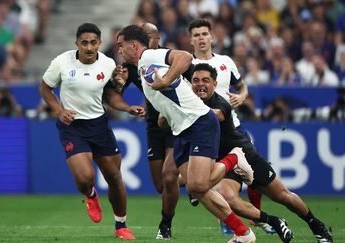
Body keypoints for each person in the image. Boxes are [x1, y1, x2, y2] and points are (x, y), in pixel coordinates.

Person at [117, 24, 256, 243]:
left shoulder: (149, 56)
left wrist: (165, 79)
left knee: (197, 185)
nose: (118, 50)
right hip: (179, 125)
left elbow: (183, 57)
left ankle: (234, 159)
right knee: (190, 186)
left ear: (133, 45)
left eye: (120, 45)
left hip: (198, 123)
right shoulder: (140, 67)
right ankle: (243, 233)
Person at [189, 63, 333, 243]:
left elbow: (212, 116)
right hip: (225, 162)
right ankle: (273, 221)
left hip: (244, 154)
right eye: (195, 80)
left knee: (283, 196)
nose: (200, 84)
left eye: (205, 80)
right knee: (229, 199)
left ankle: (316, 225)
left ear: (215, 84)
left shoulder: (220, 104)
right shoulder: (190, 103)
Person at [38, 23, 144, 240]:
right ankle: (90, 194)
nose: (88, 47)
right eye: (84, 42)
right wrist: (59, 110)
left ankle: (121, 226)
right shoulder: (62, 62)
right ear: (77, 43)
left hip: (99, 125)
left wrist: (127, 107)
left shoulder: (107, 64)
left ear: (99, 44)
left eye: (93, 42)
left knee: (114, 177)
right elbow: (44, 88)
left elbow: (110, 96)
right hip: (73, 126)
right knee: (85, 178)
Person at [187, 18, 272, 234]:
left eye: (204, 34)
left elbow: (242, 86)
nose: (201, 38)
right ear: (191, 40)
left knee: (253, 172)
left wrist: (242, 97)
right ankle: (228, 219)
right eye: (196, 35)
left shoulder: (226, 61)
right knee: (212, 179)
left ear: (212, 36)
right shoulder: (187, 66)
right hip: (204, 129)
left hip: (232, 126)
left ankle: (255, 216)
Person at [112, 22, 181, 240]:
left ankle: (165, 224)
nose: (146, 39)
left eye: (149, 36)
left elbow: (186, 73)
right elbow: (115, 93)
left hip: (175, 122)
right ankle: (197, 178)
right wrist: (118, 84)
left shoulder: (165, 57)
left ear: (157, 38)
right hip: (154, 124)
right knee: (161, 185)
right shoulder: (132, 65)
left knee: (169, 177)